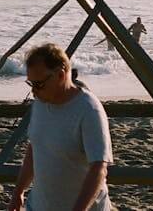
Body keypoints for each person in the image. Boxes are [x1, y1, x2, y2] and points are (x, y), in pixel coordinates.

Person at [10, 43, 112, 211]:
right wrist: (19, 191)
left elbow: (99, 169)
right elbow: (35, 147)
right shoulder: (40, 103)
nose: (34, 91)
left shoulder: (89, 109)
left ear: (60, 75)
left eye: (39, 84)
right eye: (31, 84)